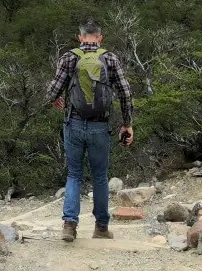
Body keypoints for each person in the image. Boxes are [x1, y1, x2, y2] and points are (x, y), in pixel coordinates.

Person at [45, 20, 134, 242]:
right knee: (100, 177)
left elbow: (52, 91)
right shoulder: (110, 58)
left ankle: (69, 225)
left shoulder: (69, 57)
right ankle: (101, 228)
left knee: (74, 175)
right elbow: (125, 92)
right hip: (100, 126)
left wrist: (57, 98)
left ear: (80, 37)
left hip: (74, 124)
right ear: (100, 38)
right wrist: (127, 123)